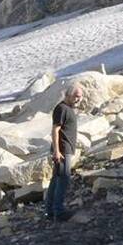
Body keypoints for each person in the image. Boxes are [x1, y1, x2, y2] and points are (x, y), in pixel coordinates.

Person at [46, 82, 82, 221]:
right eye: (76, 96)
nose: (78, 99)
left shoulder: (67, 108)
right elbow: (55, 130)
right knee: (64, 179)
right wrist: (56, 151)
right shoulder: (61, 109)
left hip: (65, 149)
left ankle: (50, 211)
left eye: (80, 97)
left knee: (57, 179)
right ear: (68, 95)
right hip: (62, 150)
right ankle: (58, 212)